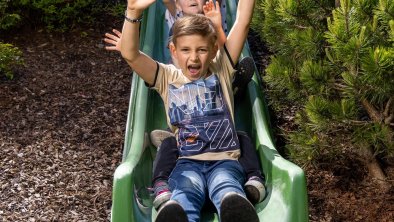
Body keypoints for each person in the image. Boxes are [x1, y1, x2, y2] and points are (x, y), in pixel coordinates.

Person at [106, 0, 265, 212]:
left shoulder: (222, 67)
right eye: (185, 50)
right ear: (173, 50)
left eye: (201, 50)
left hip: (224, 161)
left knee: (225, 185)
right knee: (184, 193)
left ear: (213, 49)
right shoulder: (165, 77)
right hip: (187, 162)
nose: (194, 57)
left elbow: (243, 21)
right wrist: (133, 11)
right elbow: (130, 54)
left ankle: (234, 208)